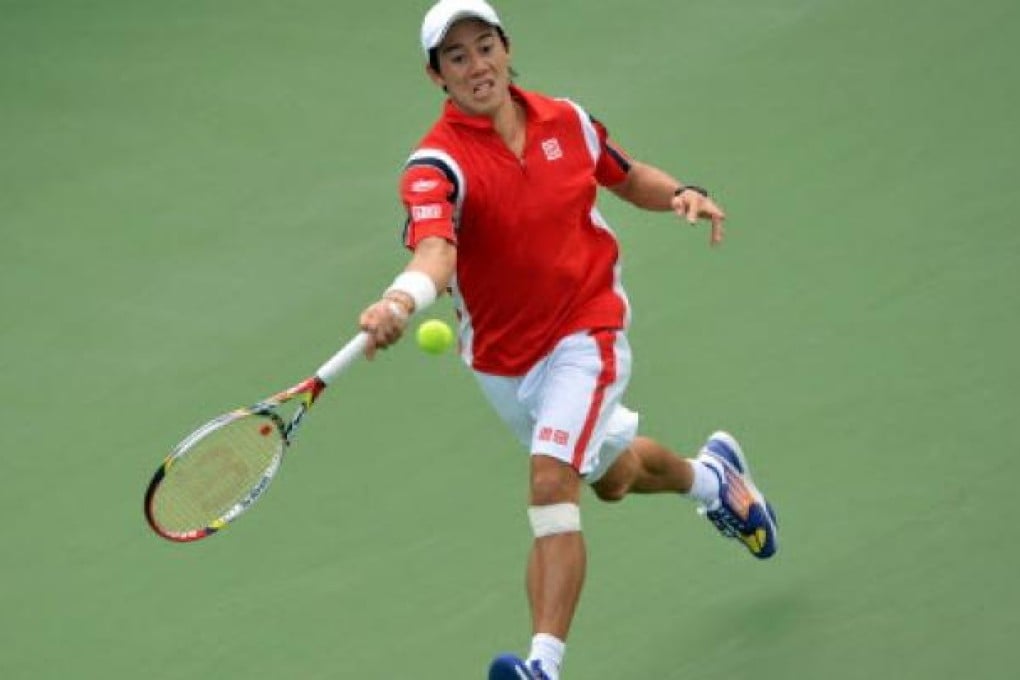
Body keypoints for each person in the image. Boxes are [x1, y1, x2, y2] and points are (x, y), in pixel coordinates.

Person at [356, 1, 779, 678]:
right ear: (436, 76)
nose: (476, 65)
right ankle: (714, 482)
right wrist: (400, 300)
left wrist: (680, 193)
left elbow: (625, 174)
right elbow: (435, 251)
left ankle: (542, 666)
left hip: (588, 328)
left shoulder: (566, 120)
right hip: (503, 361)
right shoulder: (435, 166)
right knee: (612, 477)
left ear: (505, 46)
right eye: (456, 57)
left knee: (552, 481)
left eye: (484, 46)